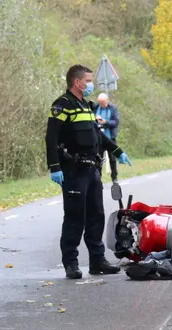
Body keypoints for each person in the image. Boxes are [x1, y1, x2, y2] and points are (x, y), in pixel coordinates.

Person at [45, 64, 133, 279]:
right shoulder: (62, 105)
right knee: (75, 218)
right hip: (73, 170)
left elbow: (98, 135)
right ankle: (71, 264)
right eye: (88, 80)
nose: (90, 84)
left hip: (92, 169)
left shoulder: (86, 107)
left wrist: (117, 150)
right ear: (77, 82)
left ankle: (97, 260)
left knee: (96, 216)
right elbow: (51, 137)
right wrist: (54, 167)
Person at [93, 93, 119, 179]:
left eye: (103, 103)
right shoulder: (95, 107)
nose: (102, 105)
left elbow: (116, 122)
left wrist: (105, 122)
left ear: (107, 100)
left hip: (110, 137)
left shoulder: (113, 108)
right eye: (100, 103)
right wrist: (96, 120)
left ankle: (114, 177)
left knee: (112, 158)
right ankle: (98, 178)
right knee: (98, 159)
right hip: (99, 138)